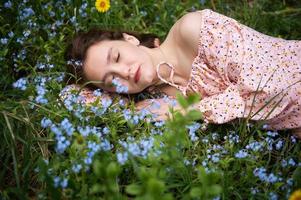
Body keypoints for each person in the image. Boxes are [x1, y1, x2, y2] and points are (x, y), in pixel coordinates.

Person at [64, 9, 301, 137]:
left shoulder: (193, 31)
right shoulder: (158, 101)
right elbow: (69, 96)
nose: (123, 73)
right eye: (111, 80)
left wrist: (189, 111)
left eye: (116, 57)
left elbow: (275, 90)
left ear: (130, 39)